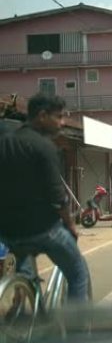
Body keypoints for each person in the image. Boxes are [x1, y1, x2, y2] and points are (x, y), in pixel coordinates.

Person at [0, 93, 90, 301]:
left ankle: (24, 310)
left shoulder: (5, 143)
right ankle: (77, 328)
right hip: (42, 229)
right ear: (42, 116)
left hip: (8, 231)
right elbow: (57, 197)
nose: (62, 122)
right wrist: (71, 226)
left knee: (26, 274)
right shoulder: (44, 147)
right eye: (58, 117)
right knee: (78, 273)